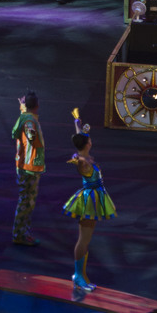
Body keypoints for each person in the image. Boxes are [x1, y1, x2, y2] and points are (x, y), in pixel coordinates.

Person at [63, 108, 116, 293]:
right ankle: (78, 276)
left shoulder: (84, 151)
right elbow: (78, 161)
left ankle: (82, 275)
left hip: (94, 198)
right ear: (87, 144)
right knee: (83, 240)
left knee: (86, 240)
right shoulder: (83, 161)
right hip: (89, 202)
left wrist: (77, 120)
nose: (91, 139)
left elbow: (80, 134)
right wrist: (75, 159)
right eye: (89, 138)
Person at [11, 91, 45, 246]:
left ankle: (22, 232)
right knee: (27, 201)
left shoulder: (23, 117)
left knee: (26, 200)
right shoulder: (29, 120)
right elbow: (31, 135)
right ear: (37, 106)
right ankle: (19, 234)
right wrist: (31, 134)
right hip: (29, 167)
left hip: (23, 165)